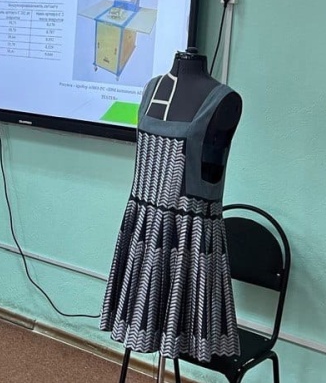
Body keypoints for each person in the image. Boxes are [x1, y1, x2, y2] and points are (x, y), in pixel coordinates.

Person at [100, 47, 243, 363]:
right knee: (138, 333)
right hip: (144, 226)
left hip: (189, 237)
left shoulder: (223, 100)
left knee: (178, 337)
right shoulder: (152, 88)